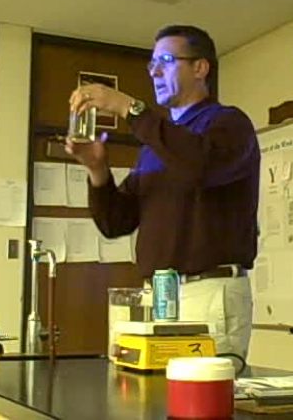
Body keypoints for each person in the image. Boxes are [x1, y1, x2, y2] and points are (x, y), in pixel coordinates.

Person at [65, 24, 260, 359]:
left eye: (166, 61)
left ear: (200, 68)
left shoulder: (229, 125)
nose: (154, 71)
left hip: (209, 292)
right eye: (151, 64)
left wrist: (129, 107)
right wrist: (98, 170)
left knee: (202, 406)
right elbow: (116, 223)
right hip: (158, 297)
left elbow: (199, 166)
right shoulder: (156, 145)